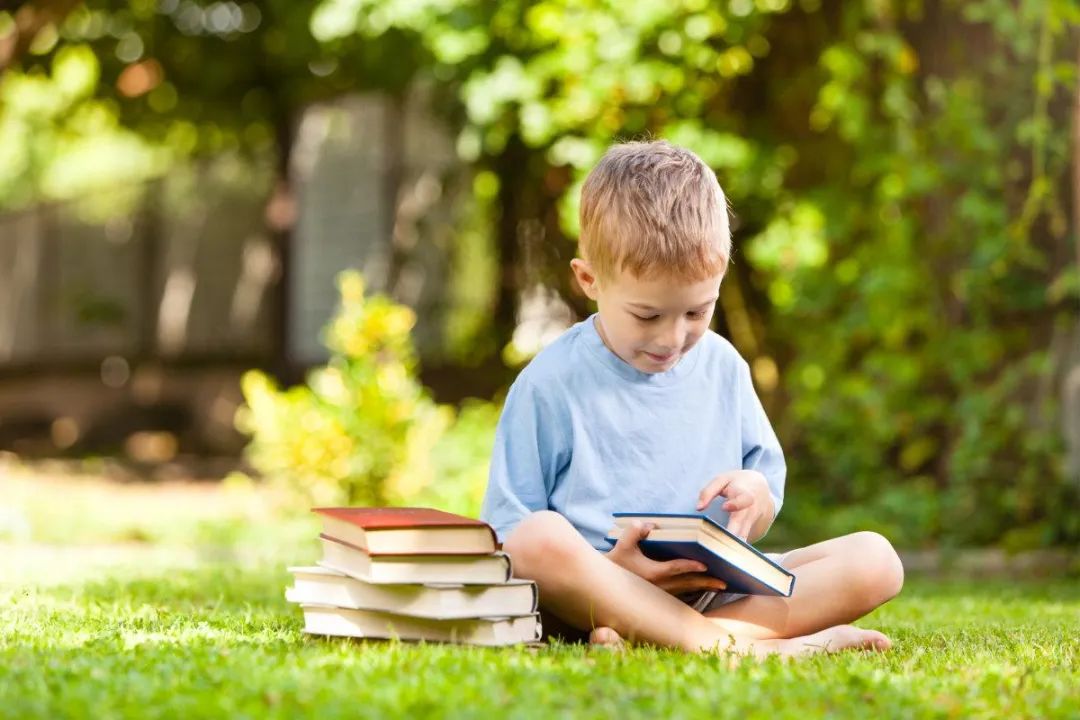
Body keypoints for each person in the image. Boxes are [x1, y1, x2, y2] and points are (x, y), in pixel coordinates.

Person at [480, 140, 904, 656]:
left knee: (875, 560)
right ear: (589, 280)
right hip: (597, 597)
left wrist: (755, 496)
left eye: (696, 314)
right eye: (647, 315)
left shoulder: (724, 367)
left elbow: (764, 494)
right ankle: (734, 647)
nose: (671, 339)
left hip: (714, 595)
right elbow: (509, 539)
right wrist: (613, 573)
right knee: (536, 537)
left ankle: (684, 640)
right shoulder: (550, 382)